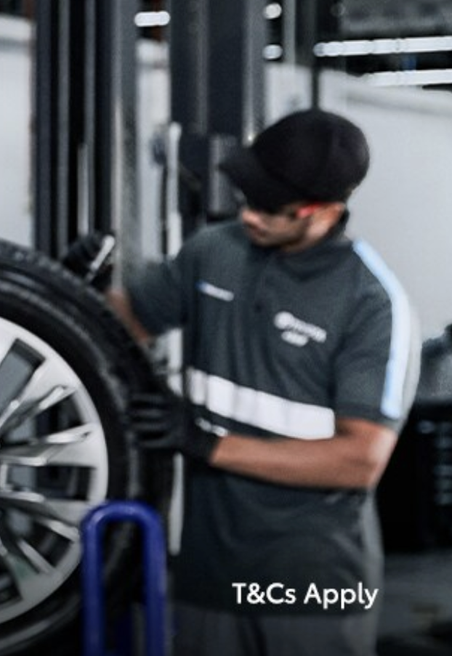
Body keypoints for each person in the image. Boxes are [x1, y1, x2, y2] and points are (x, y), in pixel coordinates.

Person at [105, 109, 420, 656]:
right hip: (209, 571)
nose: (249, 214)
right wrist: (70, 290)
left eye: (270, 207)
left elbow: (360, 459)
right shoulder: (214, 251)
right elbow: (129, 318)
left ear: (322, 211)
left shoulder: (369, 303)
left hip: (310, 580)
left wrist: (207, 444)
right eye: (246, 196)